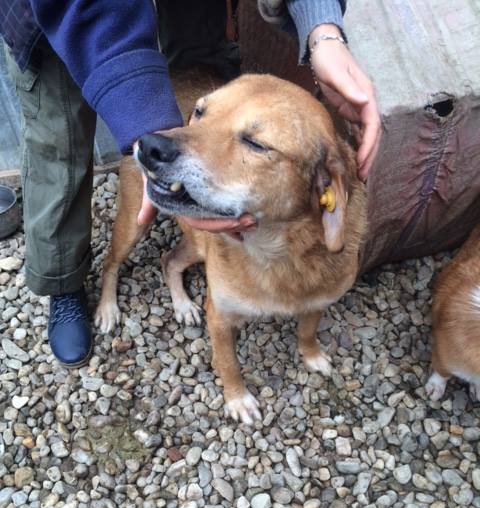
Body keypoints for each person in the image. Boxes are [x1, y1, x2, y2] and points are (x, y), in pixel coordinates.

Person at [0, 0, 380, 367]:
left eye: (254, 143)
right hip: (60, 8)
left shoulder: (331, 208)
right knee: (58, 140)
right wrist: (140, 123)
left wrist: (322, 30)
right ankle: (64, 280)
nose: (189, 130)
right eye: (199, 111)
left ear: (327, 194)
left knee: (198, 52)